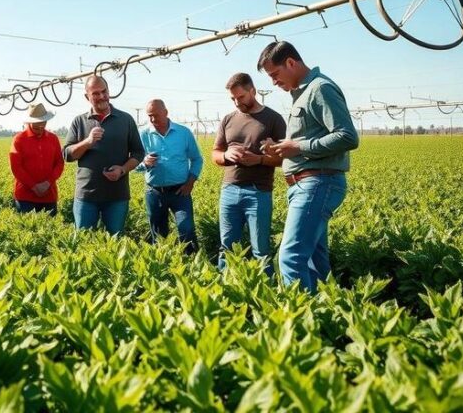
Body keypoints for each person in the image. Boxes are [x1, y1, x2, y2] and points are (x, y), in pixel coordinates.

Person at [257, 41, 359, 293]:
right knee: (314, 259)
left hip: (317, 183)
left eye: (274, 74)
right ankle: (328, 317)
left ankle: (301, 325)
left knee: (290, 257)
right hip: (306, 184)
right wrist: (281, 146)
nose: (273, 82)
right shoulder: (302, 93)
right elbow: (304, 140)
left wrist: (299, 147)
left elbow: (347, 136)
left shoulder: (320, 88)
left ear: (291, 63)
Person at [211, 73, 286, 273]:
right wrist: (227, 155)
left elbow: (286, 158)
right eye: (233, 98)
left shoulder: (273, 119)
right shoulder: (228, 119)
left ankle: (266, 294)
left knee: (260, 249)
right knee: (227, 247)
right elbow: (215, 154)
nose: (237, 102)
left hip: (258, 192)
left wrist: (259, 159)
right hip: (229, 190)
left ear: (252, 91)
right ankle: (224, 290)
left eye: (241, 97)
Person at [63, 75, 145, 235]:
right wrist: (87, 142)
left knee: (115, 241)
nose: (101, 96)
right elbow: (67, 155)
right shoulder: (79, 122)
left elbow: (138, 152)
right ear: (87, 96)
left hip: (117, 196)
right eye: (95, 93)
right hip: (86, 196)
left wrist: (122, 169)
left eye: (104, 91)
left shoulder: (125, 119)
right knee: (83, 242)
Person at [135, 99, 202, 253]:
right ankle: (163, 266)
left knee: (186, 229)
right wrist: (144, 163)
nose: (152, 119)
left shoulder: (183, 133)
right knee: (158, 235)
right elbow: (134, 164)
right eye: (149, 116)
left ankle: (191, 264)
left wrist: (190, 182)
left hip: (180, 191)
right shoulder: (144, 135)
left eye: (156, 115)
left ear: (166, 112)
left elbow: (197, 159)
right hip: (155, 192)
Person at [9, 103, 64, 216]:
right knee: (26, 230)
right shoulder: (19, 139)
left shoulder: (53, 139)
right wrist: (33, 186)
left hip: (49, 195)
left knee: (50, 230)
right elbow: (16, 167)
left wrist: (48, 183)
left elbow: (59, 163)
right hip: (25, 197)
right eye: (36, 125)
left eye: (42, 124)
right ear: (29, 122)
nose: (40, 128)